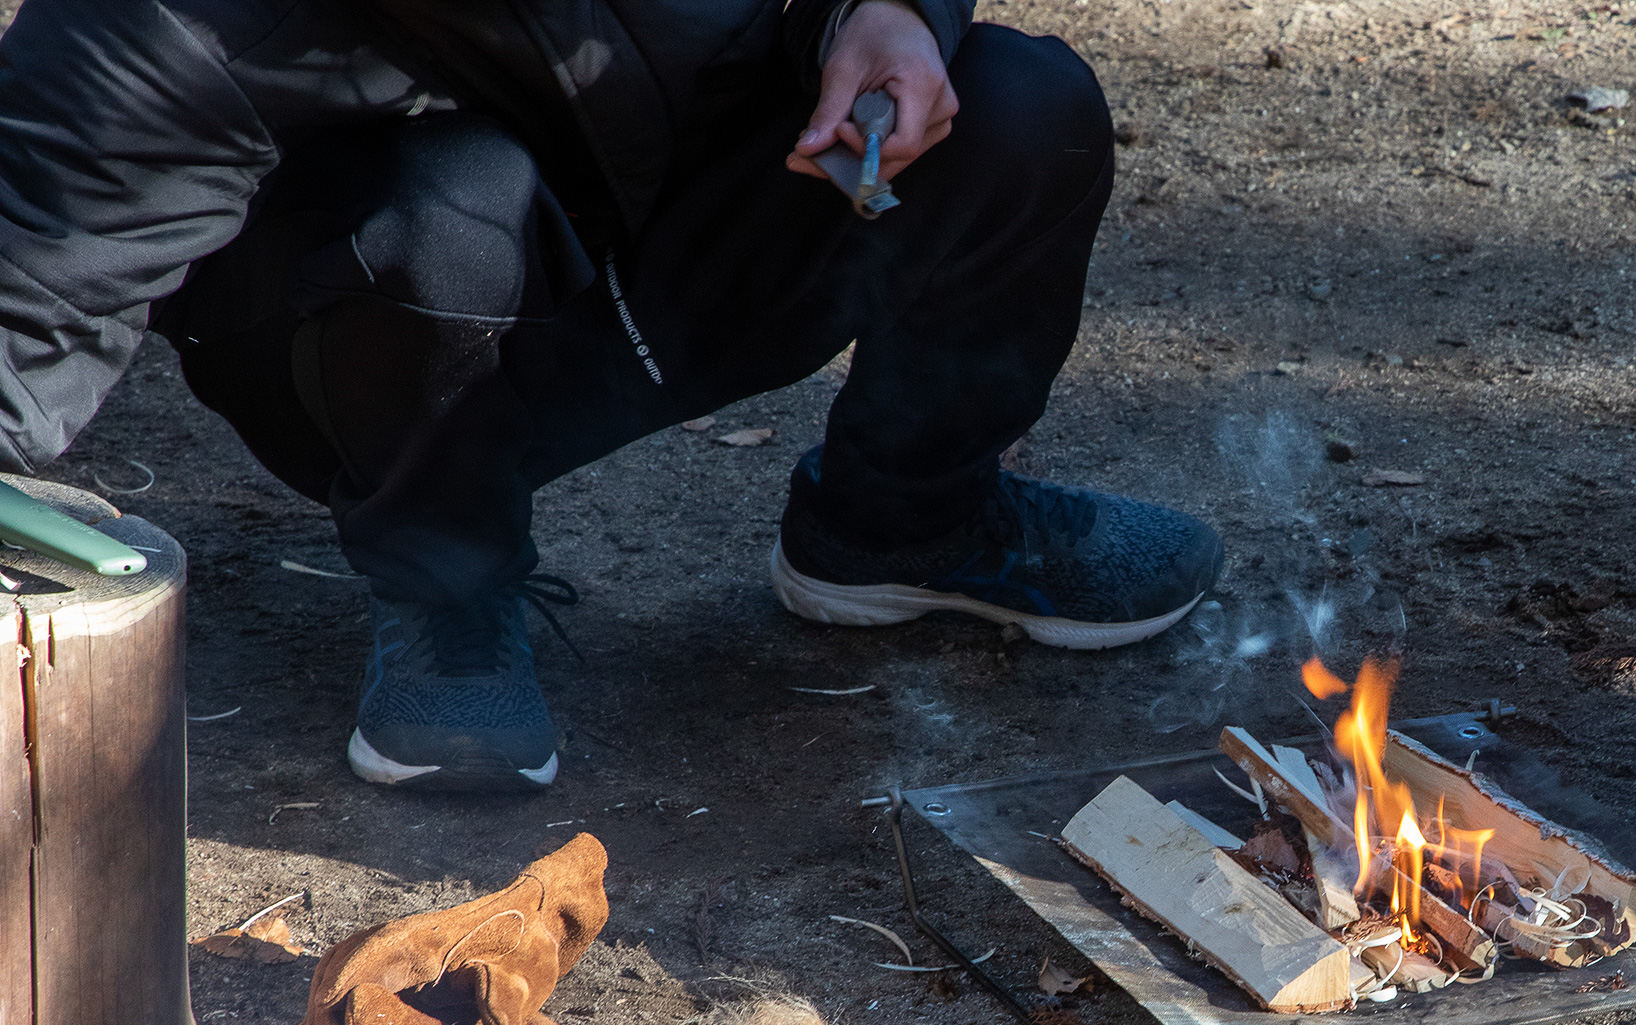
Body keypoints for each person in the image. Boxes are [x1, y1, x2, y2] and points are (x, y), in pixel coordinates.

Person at [0, 0, 1224, 791]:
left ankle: (904, 525)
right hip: (372, 316)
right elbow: (26, 294)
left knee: (1020, 113)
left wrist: (884, 10)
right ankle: (447, 590)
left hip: (651, 235)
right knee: (449, 205)